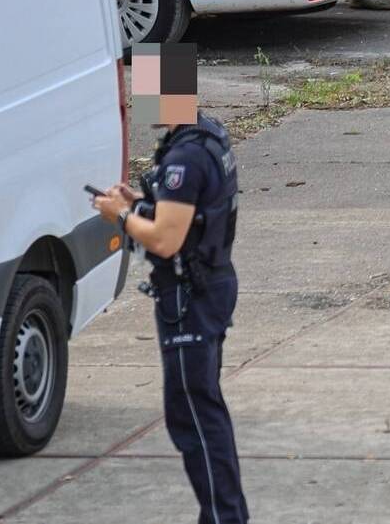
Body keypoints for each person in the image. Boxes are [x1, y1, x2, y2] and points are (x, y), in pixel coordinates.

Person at [91, 93, 247, 524]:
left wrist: (119, 217)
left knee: (195, 417)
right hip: (208, 284)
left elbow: (165, 239)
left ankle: (224, 517)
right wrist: (137, 203)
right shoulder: (203, 135)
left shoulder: (185, 160)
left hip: (190, 297)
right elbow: (186, 216)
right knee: (201, 408)